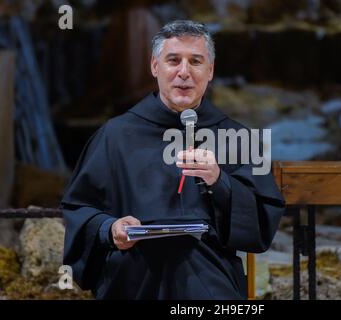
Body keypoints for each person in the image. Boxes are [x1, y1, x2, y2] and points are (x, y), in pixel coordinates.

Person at [61, 20, 285, 300]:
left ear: (210, 70)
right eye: (173, 60)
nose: (184, 72)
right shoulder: (115, 135)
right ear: (155, 67)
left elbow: (263, 220)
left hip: (207, 276)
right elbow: (78, 208)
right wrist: (111, 229)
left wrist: (220, 181)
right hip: (132, 277)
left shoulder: (236, 137)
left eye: (195, 61)